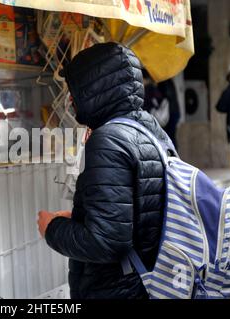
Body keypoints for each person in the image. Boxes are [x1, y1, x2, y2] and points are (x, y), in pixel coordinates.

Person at [37, 42, 175, 299]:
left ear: (93, 89)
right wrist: (84, 215)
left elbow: (107, 243)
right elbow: (136, 213)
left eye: (75, 90)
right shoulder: (152, 130)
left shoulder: (108, 140)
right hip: (150, 281)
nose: (70, 99)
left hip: (118, 290)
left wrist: (52, 228)